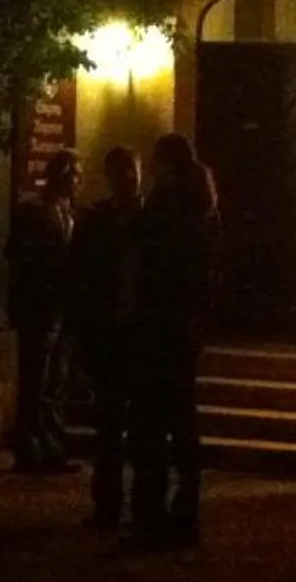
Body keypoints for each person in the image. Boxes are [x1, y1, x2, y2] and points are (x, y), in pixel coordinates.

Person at [125, 132, 218, 549]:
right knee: (182, 418)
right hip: (186, 326)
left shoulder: (164, 205)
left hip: (157, 325)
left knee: (149, 421)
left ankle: (150, 516)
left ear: (165, 163)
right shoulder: (205, 208)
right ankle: (187, 509)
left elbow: (140, 251)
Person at [68, 145, 142, 528]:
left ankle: (140, 508)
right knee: (110, 424)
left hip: (140, 336)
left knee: (139, 425)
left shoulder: (152, 220)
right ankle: (108, 504)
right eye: (121, 172)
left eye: (132, 170)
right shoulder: (98, 222)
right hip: (111, 336)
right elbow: (80, 277)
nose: (129, 178)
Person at [6, 149, 78, 471]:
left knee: (52, 381)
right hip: (38, 308)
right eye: (74, 174)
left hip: (59, 309)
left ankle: (49, 446)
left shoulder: (69, 213)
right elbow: (19, 258)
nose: (78, 181)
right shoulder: (34, 212)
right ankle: (29, 448)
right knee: (34, 382)